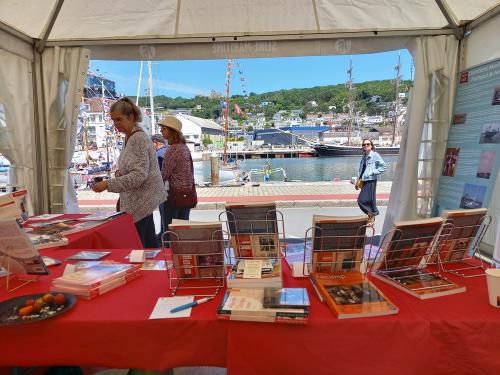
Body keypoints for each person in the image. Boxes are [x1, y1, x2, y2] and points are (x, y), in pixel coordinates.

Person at [93, 97, 167, 248]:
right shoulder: (131, 137)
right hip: (141, 201)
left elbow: (139, 175)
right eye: (113, 120)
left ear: (131, 117)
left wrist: (108, 184)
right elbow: (136, 170)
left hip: (140, 201)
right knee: (149, 247)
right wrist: (119, 174)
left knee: (138, 248)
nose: (116, 125)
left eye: (118, 120)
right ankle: (155, 270)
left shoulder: (137, 138)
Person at [159, 116, 197, 232]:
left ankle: (170, 251)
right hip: (186, 196)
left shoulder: (172, 150)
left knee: (170, 233)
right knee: (183, 232)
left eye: (163, 128)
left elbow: (164, 175)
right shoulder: (184, 148)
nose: (161, 130)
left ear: (171, 131)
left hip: (173, 197)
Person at [355, 139, 387, 224]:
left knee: (362, 200)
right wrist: (357, 181)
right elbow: (361, 170)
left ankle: (372, 215)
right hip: (363, 180)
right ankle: (371, 216)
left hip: (371, 180)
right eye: (364, 144)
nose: (365, 146)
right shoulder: (364, 156)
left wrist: (372, 172)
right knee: (368, 200)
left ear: (371, 145)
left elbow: (383, 167)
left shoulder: (375, 155)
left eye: (367, 144)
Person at [151, 133, 169, 238]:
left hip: (163, 190)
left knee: (164, 216)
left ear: (156, 143)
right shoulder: (170, 151)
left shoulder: (157, 155)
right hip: (173, 191)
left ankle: (163, 238)